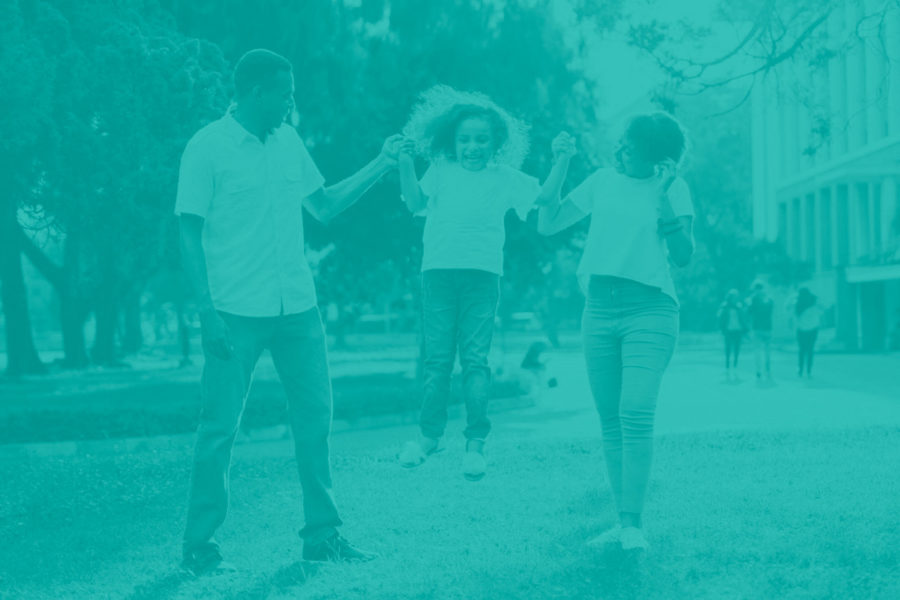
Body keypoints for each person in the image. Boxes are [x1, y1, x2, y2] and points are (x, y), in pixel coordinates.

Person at [175, 49, 403, 575]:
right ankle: (199, 545)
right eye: (285, 93)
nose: (291, 103)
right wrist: (206, 313)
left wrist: (382, 162)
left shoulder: (289, 142)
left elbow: (325, 206)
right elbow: (188, 232)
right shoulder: (207, 147)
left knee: (315, 420)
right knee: (219, 427)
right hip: (234, 310)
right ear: (256, 91)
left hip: (298, 308)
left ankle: (322, 536)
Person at [395, 85, 575, 481]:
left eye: (481, 140)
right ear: (452, 141)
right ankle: (428, 438)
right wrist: (405, 162)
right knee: (438, 361)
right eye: (464, 139)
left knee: (475, 360)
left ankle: (475, 444)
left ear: (496, 144)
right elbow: (414, 203)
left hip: (482, 278)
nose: (472, 147)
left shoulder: (504, 178)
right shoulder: (440, 170)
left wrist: (562, 158)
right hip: (438, 275)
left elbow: (546, 197)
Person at [537, 113, 695, 552]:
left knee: (636, 409)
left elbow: (684, 255)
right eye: (621, 142)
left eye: (631, 146)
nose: (621, 150)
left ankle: (634, 525)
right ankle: (624, 523)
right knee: (611, 419)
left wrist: (663, 198)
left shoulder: (675, 188)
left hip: (652, 309)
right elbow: (547, 223)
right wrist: (561, 162)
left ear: (657, 157)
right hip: (599, 309)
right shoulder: (602, 181)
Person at [790, 287, 822, 378]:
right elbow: (822, 311)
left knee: (801, 350)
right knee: (810, 349)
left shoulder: (797, 304)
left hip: (801, 329)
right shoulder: (815, 303)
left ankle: (800, 370)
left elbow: (789, 310)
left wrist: (793, 297)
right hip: (813, 329)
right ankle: (809, 370)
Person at [717, 289, 748, 381]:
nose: (735, 298)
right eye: (733, 297)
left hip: (738, 330)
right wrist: (721, 329)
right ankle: (727, 366)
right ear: (730, 297)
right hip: (728, 330)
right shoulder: (724, 306)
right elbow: (720, 318)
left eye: (736, 297)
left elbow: (743, 318)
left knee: (737, 348)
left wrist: (745, 329)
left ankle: (735, 366)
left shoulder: (739, 306)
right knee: (728, 348)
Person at [746, 281, 775, 381]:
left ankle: (758, 371)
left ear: (754, 289)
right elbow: (771, 310)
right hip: (768, 328)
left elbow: (749, 312)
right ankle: (768, 369)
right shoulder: (769, 299)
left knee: (757, 351)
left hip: (757, 328)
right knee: (767, 351)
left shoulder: (752, 299)